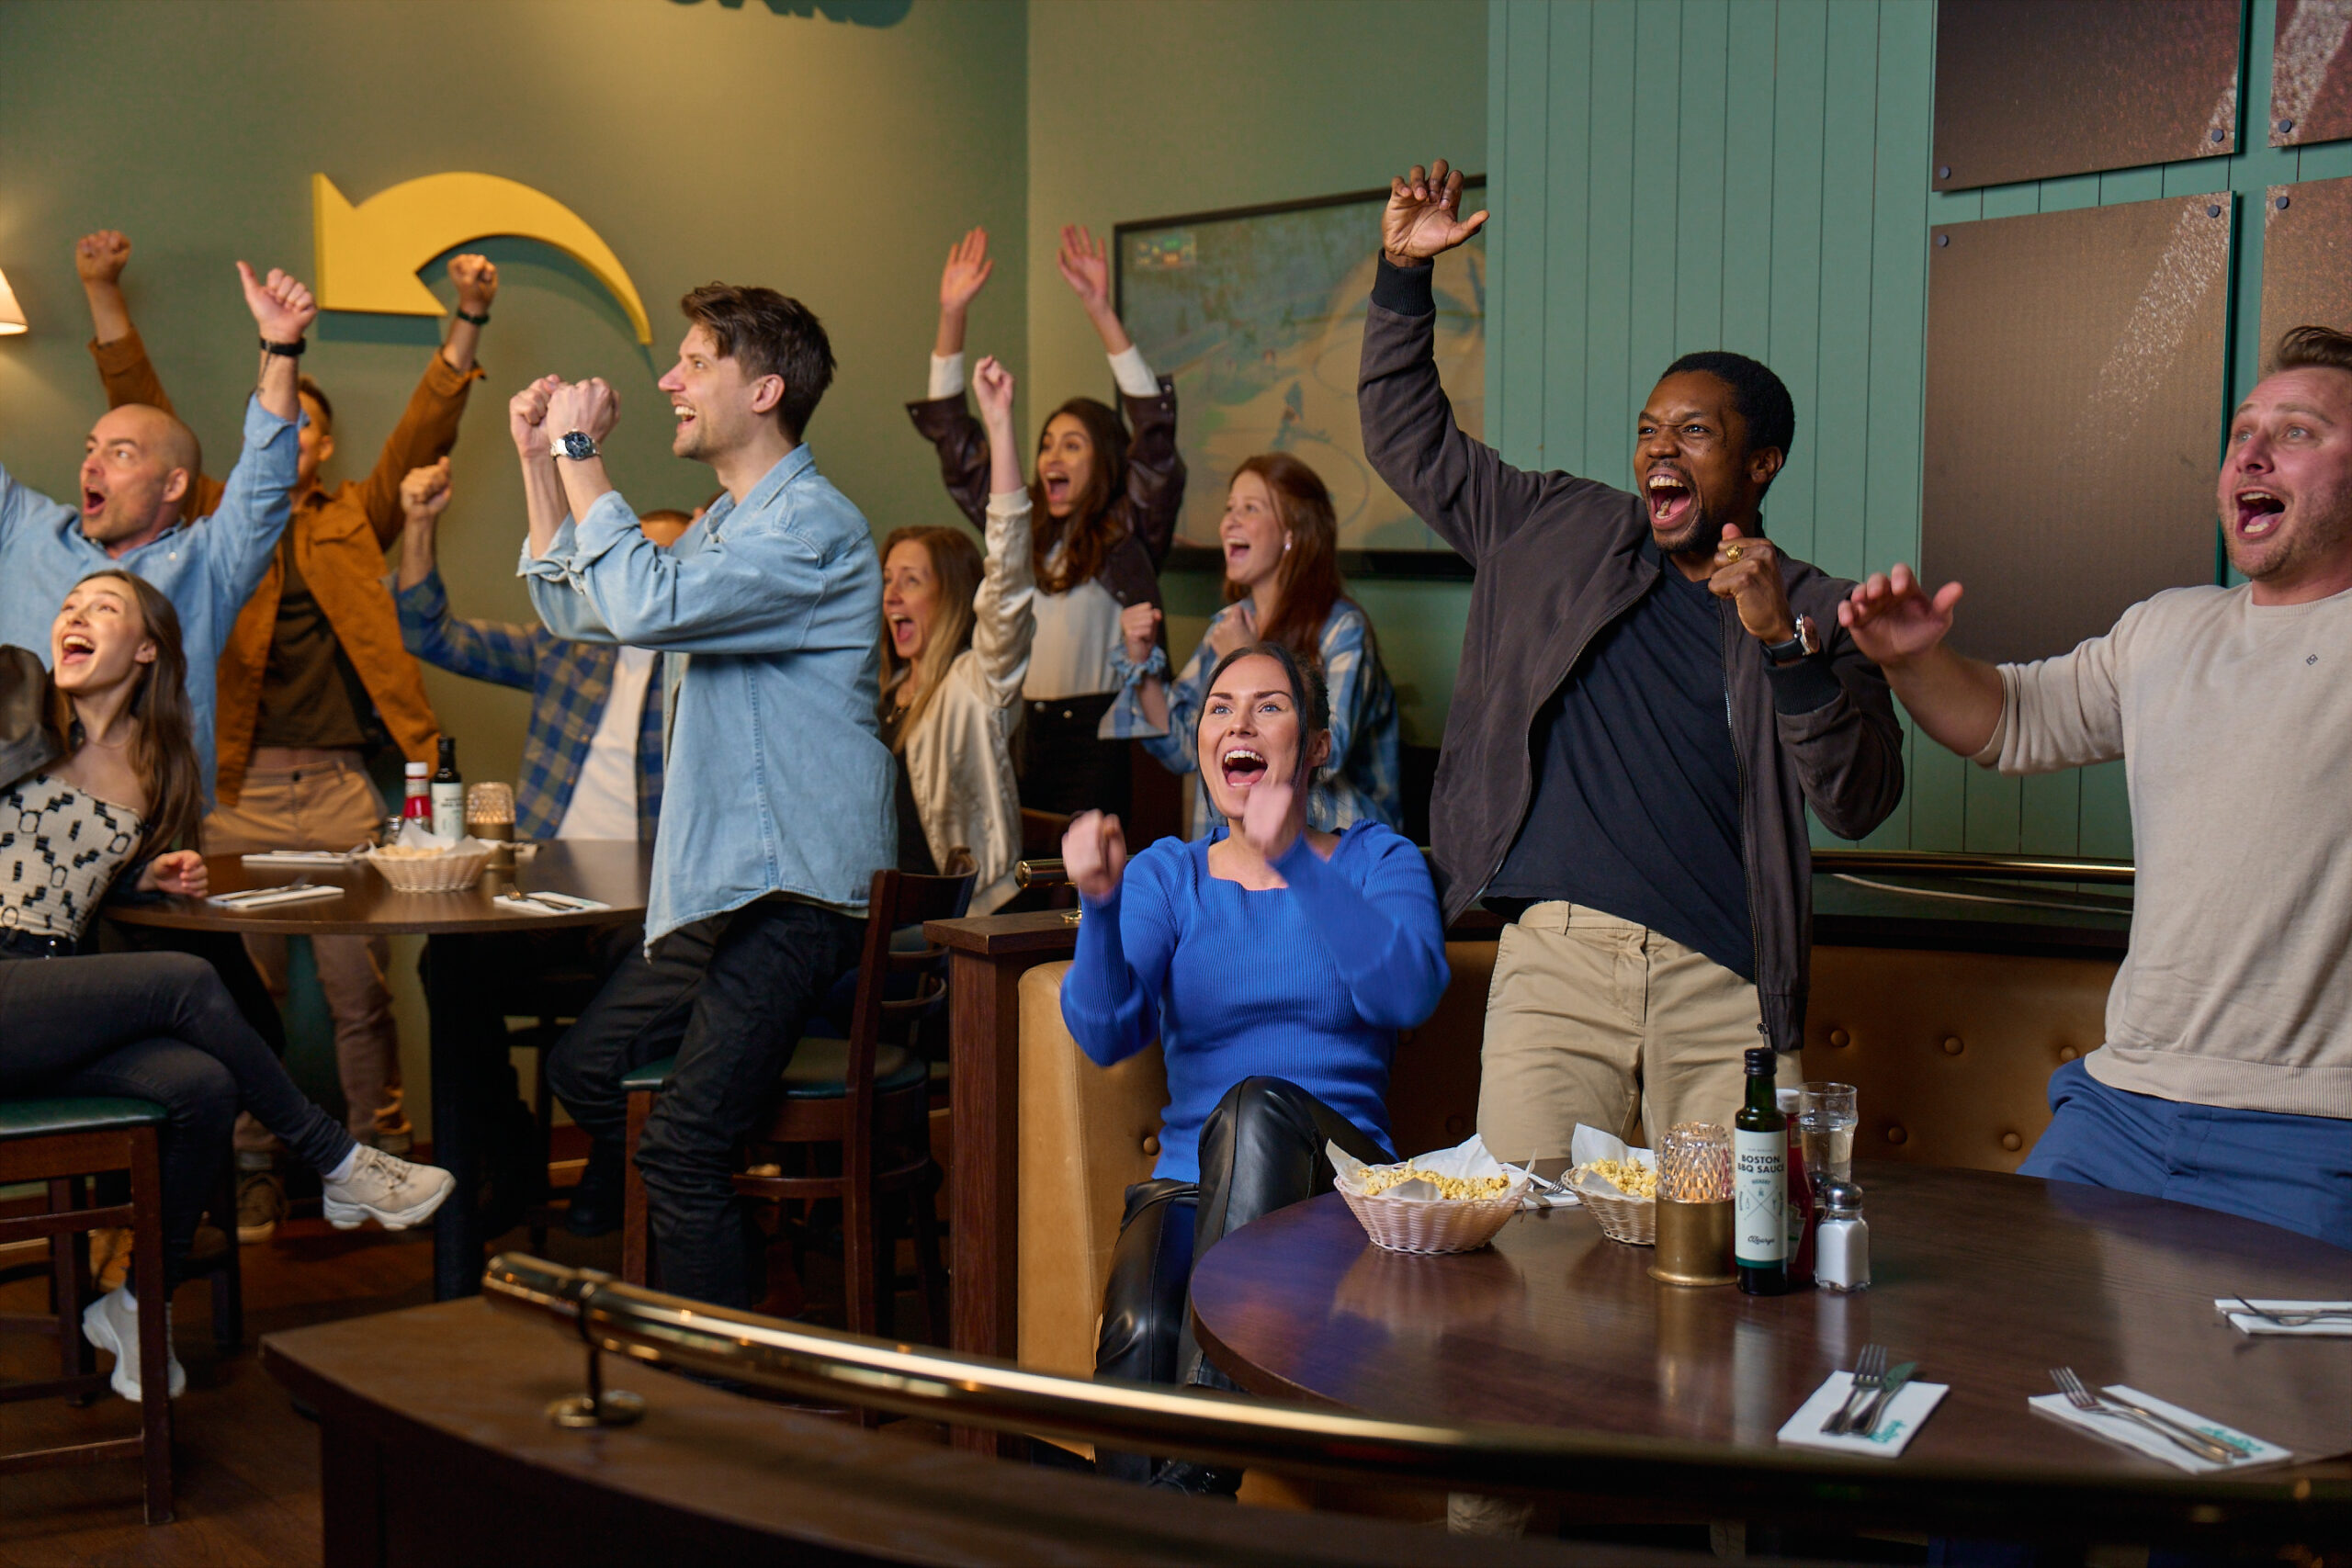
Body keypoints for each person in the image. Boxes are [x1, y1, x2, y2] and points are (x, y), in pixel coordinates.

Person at [1360, 159, 1904, 1165]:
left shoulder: (1821, 609)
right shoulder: (1552, 527)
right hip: (1558, 962)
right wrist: (1402, 275)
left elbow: (1862, 799)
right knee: (1527, 1229)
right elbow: (1409, 442)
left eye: (1694, 433)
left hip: (1728, 986)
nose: (1660, 450)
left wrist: (1782, 647)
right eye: (1649, 430)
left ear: (1761, 464)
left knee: (1734, 1245)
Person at [1836, 325, 2352, 1247]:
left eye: (2298, 433)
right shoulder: (2165, 628)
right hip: (2116, 1112)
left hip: (2312, 1136)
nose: (2252, 453)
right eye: (2242, 431)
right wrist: (1913, 662)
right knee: (2003, 1329)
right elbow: (2008, 720)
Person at [0, 570, 454, 1402]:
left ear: (147, 650)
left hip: (45, 989)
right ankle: (337, 1158)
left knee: (204, 1085)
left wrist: (143, 877)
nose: (75, 615)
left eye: (104, 607)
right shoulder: (16, 701)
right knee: (184, 982)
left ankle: (139, 1303)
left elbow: (60, 871)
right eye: (70, 605)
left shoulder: (158, 766)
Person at [527, 283, 891, 1307]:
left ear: (764, 390)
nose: (668, 381)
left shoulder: (811, 526)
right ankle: (727, 1277)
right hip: (739, 892)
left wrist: (579, 451)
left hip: (798, 898)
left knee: (680, 1149)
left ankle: (720, 1389)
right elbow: (583, 611)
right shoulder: (732, 522)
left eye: (695, 362)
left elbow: (645, 604)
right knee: (592, 1072)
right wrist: (539, 461)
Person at [1059, 641, 1449, 1495]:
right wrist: (1100, 908)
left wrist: (1297, 864)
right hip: (1185, 1188)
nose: (1239, 723)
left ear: (1316, 745)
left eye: (1269, 706)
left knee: (1256, 1108)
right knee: (1142, 1324)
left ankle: (1191, 1484)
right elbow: (1107, 1032)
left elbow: (1408, 992)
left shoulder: (1377, 860)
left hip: (1337, 1194)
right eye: (1220, 707)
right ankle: (1145, 1531)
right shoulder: (1170, 874)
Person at [909, 225, 1183, 819]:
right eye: (1046, 444)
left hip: (1101, 741)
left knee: (1089, 877)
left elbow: (1155, 432)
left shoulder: (1130, 529)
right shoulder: (1022, 526)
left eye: (1073, 445)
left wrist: (1099, 310)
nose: (1052, 457)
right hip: (1020, 734)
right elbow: (956, 442)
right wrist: (952, 316)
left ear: (1105, 459)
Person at [1112, 453, 1401, 837]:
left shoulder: (1343, 629)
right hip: (1234, 850)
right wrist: (1141, 660)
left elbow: (1325, 756)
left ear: (1292, 533)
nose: (1230, 521)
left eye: (1250, 508)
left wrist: (1250, 655)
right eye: (1229, 508)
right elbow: (1183, 751)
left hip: (1330, 848)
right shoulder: (1228, 624)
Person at [396, 458, 680, 844]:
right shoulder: (566, 648)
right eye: (641, 558)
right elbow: (429, 636)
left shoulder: (702, 667)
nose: (650, 576)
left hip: (652, 867)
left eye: (667, 562)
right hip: (544, 858)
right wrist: (419, 523)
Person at [877, 354, 1034, 909]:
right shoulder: (881, 693)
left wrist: (999, 425)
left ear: (951, 596)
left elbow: (1009, 581)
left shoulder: (975, 684)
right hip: (879, 915)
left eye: (911, 581)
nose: (891, 595)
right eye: (887, 579)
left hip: (959, 922)